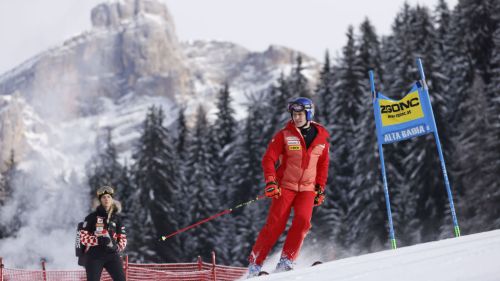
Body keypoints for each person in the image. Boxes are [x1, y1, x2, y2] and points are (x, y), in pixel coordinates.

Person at [247, 97, 330, 277]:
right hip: (284, 186)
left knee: (302, 223)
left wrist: (320, 188)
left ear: (308, 114)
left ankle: (287, 261)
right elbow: (268, 159)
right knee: (275, 225)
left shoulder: (322, 138)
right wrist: (270, 181)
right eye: (294, 114)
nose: (297, 118)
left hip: (307, 189)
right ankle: (255, 264)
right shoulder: (284, 134)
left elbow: (323, 165)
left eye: (300, 114)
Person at [79, 186, 127, 281]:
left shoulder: (117, 219)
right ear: (100, 200)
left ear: (112, 199)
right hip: (95, 256)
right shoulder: (91, 218)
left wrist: (118, 247)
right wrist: (98, 240)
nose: (106, 199)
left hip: (112, 255)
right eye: (103, 197)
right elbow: (83, 238)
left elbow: (123, 238)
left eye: (109, 197)